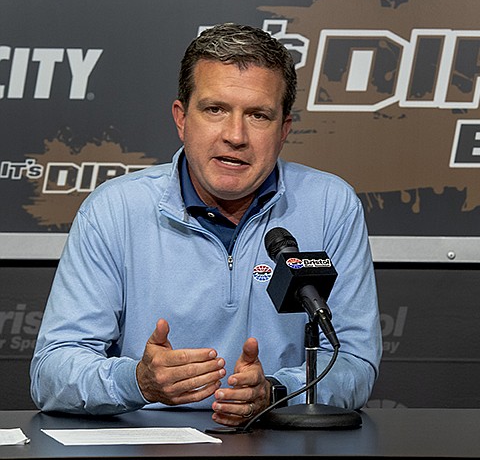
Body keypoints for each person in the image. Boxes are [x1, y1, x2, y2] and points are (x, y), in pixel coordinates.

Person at [30, 23, 382, 428]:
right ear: (182, 118)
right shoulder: (115, 209)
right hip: (142, 444)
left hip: (277, 437)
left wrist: (274, 392)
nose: (235, 135)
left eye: (258, 115)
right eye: (215, 110)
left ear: (284, 129)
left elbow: (354, 360)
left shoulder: (330, 206)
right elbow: (52, 372)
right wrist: (138, 382)